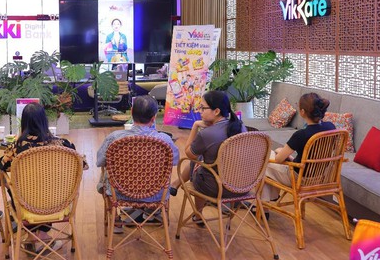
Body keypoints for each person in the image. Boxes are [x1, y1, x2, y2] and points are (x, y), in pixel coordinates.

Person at [0, 102, 87, 253]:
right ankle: (42, 235)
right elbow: (83, 165)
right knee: (48, 186)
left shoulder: (18, 147)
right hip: (59, 203)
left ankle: (32, 236)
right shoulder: (63, 144)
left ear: (24, 122)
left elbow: (2, 165)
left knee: (17, 187)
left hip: (26, 205)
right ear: (44, 121)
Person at [96, 95, 179, 232]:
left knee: (105, 176)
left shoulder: (115, 138)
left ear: (131, 112)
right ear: (154, 117)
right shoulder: (165, 140)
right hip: (155, 194)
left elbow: (100, 161)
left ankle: (116, 221)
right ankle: (150, 211)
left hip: (120, 193)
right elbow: (174, 161)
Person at [172, 90, 246, 223]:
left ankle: (198, 215)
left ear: (216, 111)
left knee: (197, 162)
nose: (199, 111)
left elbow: (189, 154)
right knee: (202, 159)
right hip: (243, 186)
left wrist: (195, 126)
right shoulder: (240, 126)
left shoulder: (207, 134)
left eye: (203, 108)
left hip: (217, 188)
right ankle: (176, 184)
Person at [261, 93, 335, 205]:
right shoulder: (331, 127)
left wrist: (280, 152)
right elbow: (314, 155)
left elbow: (278, 160)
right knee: (275, 156)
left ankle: (264, 207)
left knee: (265, 160)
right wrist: (291, 158)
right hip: (322, 177)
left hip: (299, 178)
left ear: (302, 112)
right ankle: (271, 199)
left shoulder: (301, 134)